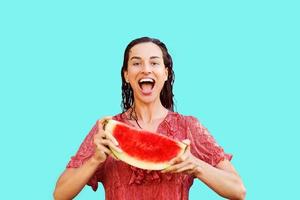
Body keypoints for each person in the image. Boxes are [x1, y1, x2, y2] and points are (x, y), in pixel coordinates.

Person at [53, 37, 246, 200]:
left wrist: (196, 166)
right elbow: (60, 194)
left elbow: (238, 190)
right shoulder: (107, 131)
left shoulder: (188, 126)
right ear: (126, 75)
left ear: (165, 74)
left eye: (154, 63)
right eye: (136, 63)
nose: (146, 69)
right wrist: (95, 160)